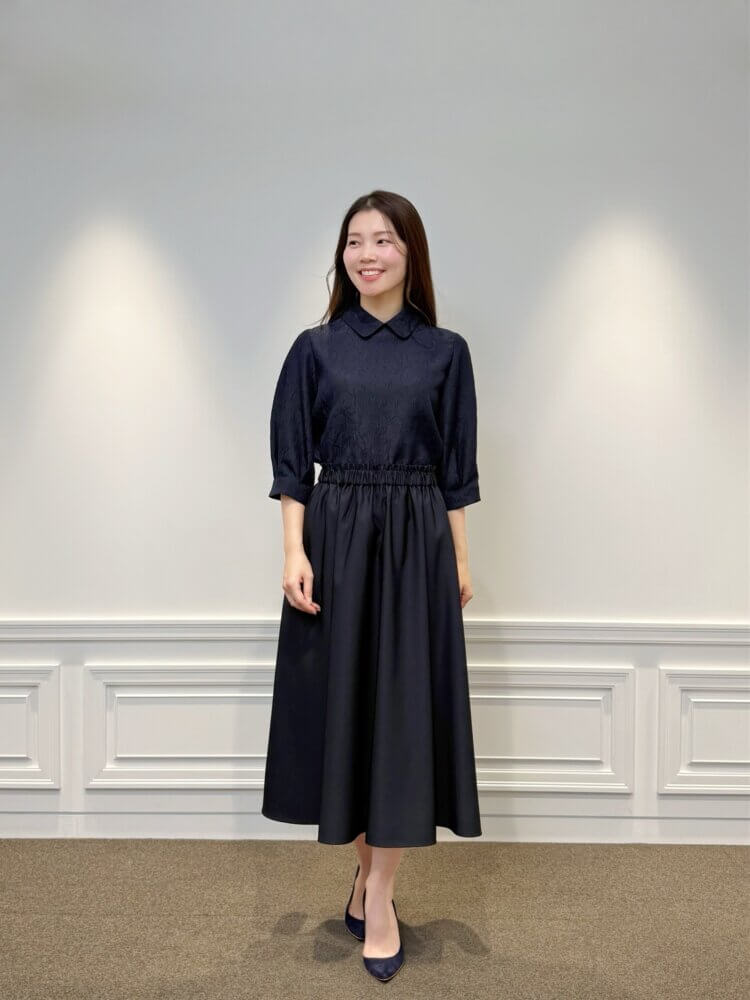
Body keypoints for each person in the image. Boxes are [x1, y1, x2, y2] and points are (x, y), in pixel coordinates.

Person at [261, 189, 482, 982]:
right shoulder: (314, 349)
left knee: (403, 722)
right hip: (338, 539)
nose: (367, 254)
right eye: (354, 241)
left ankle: (379, 893)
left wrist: (460, 562)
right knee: (346, 717)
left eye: (383, 240)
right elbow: (293, 465)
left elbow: (457, 472)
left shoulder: (445, 352)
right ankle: (366, 874)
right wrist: (294, 550)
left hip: (418, 543)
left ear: (410, 252)